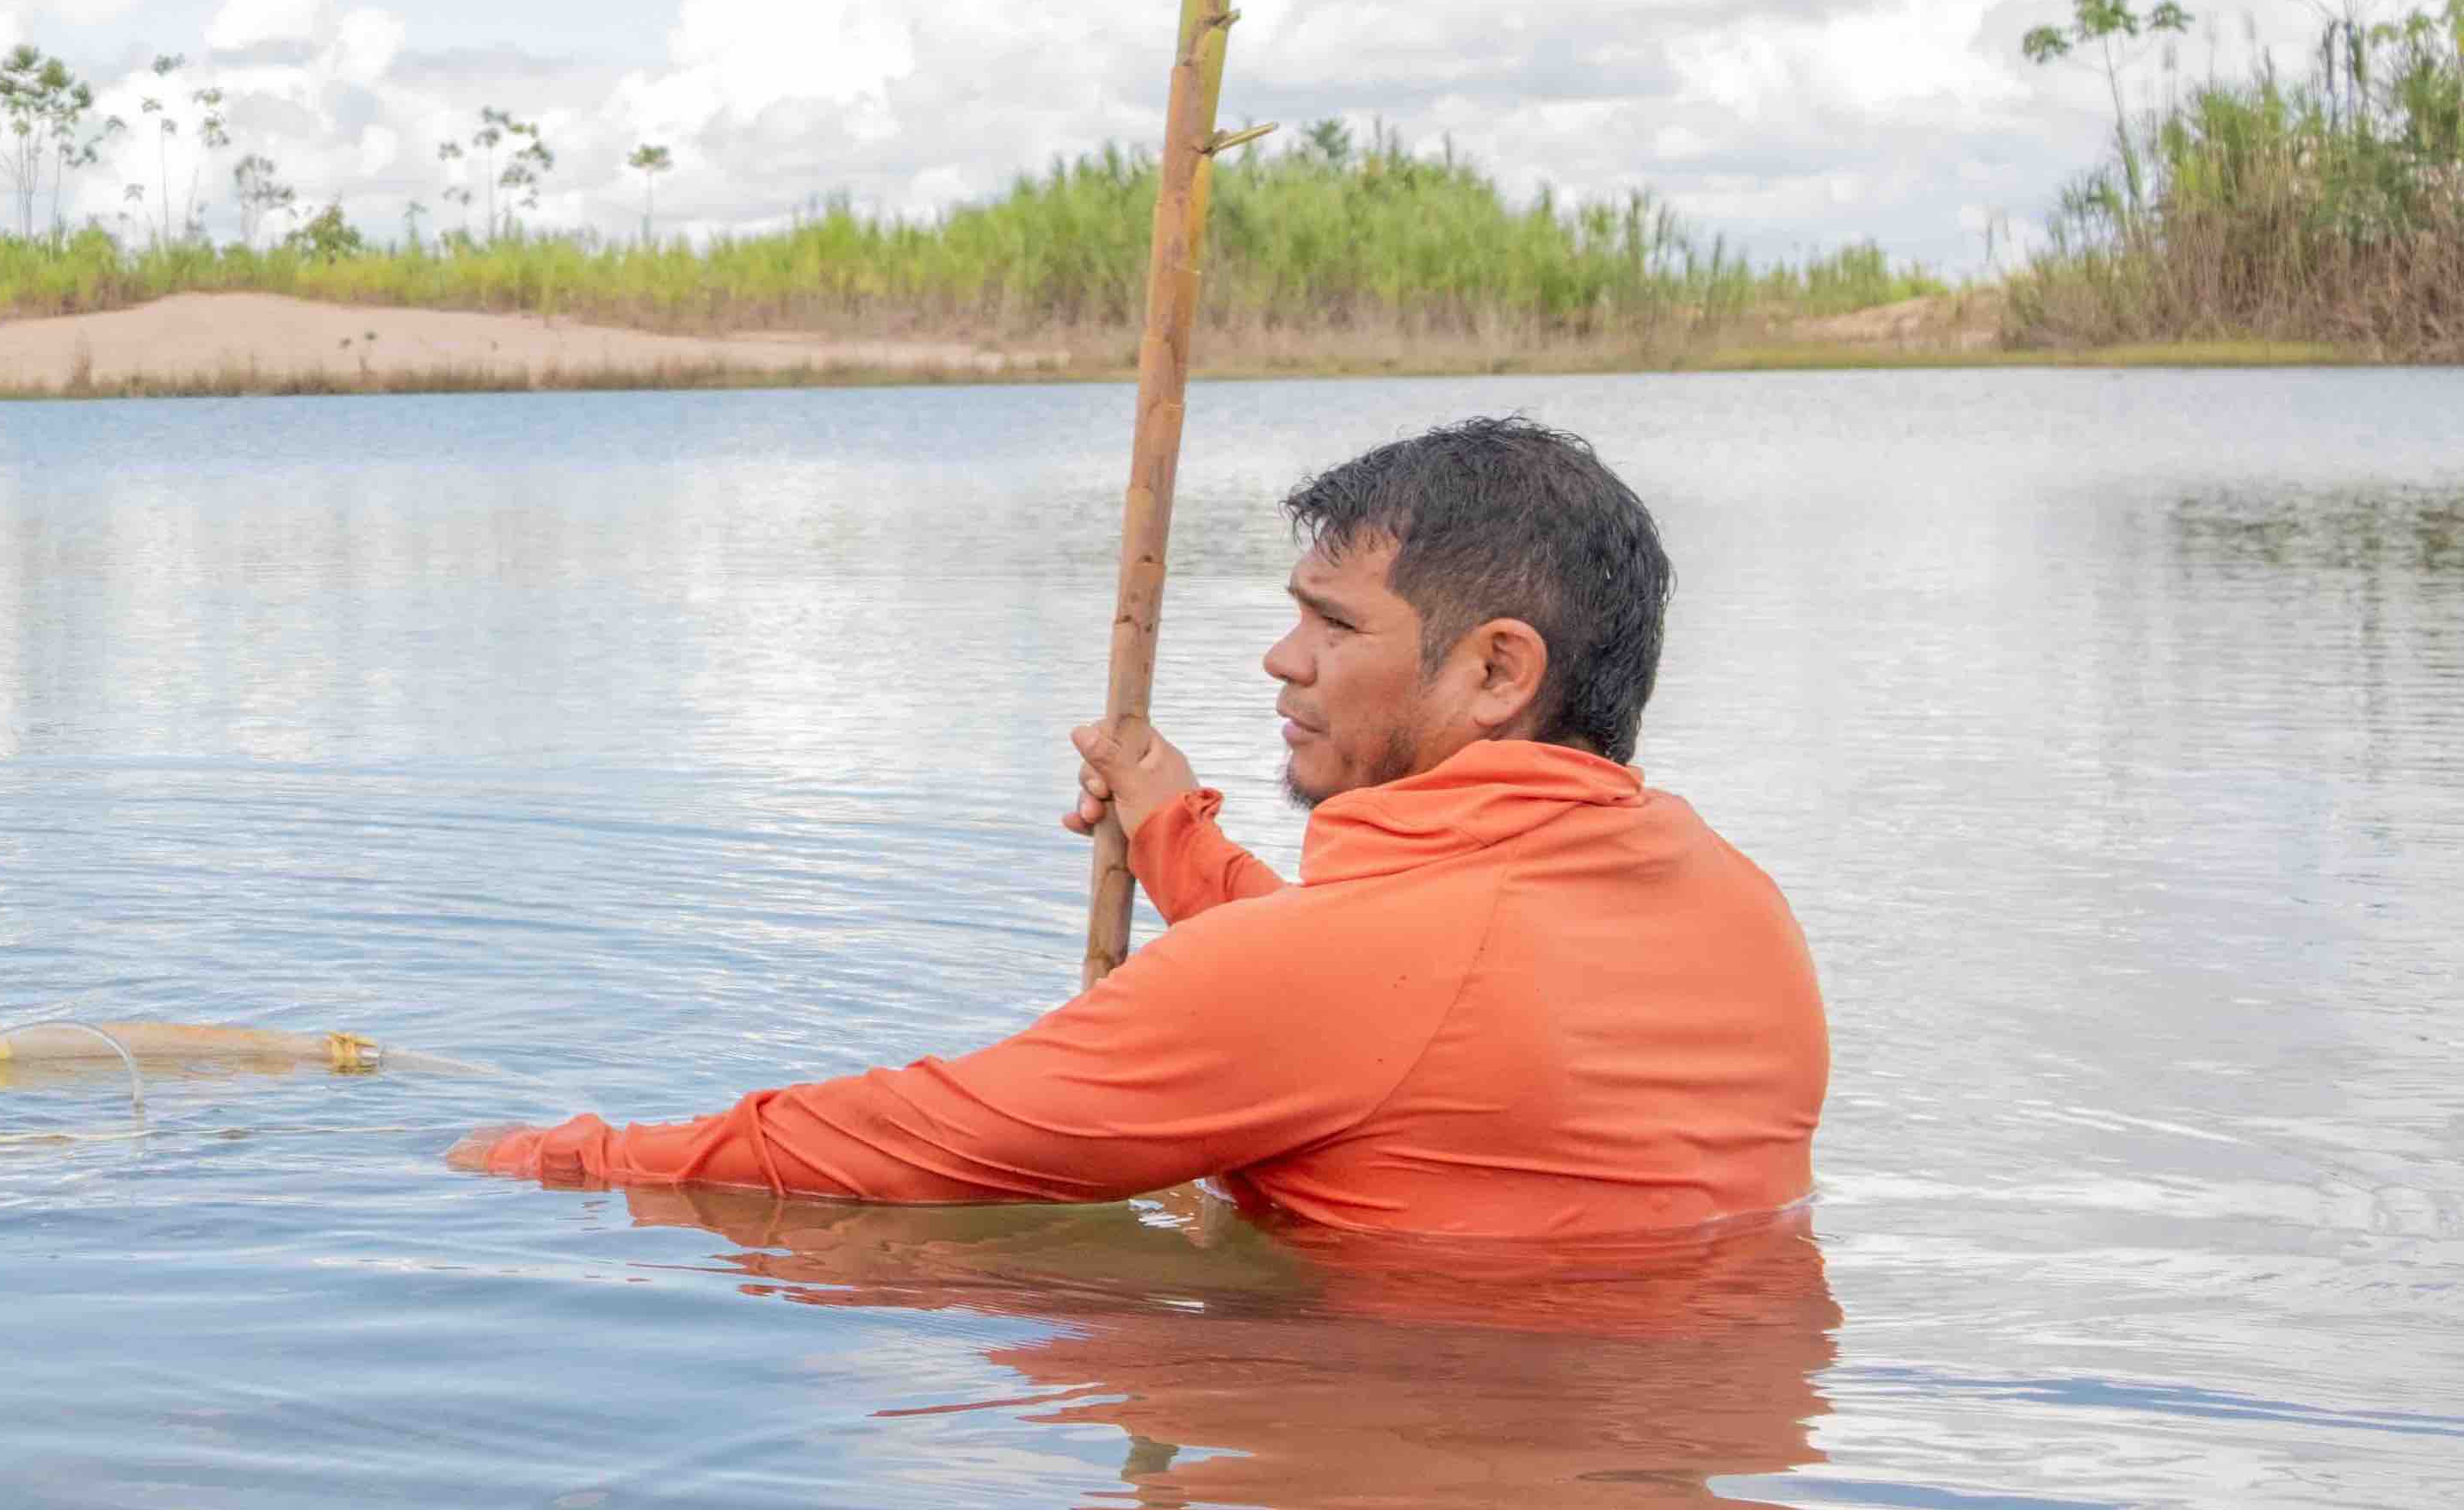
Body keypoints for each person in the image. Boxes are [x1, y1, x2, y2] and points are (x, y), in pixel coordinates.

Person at [458, 416, 1824, 1239]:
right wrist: (1175, 830)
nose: (1281, 662)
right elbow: (1384, 1021)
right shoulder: (1733, 900)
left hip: (1426, 1481)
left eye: (1332, 624)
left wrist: (555, 1158)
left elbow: (916, 1144)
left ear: (1497, 672)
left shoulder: (1364, 970)